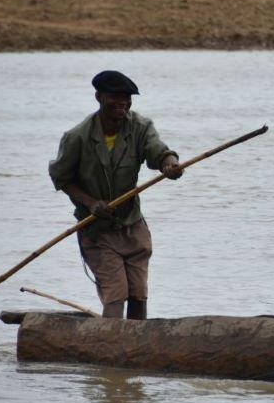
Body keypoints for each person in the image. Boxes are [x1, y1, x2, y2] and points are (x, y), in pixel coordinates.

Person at [49, 70, 182, 319]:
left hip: (132, 224)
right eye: (115, 97)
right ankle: (111, 343)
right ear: (99, 97)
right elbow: (62, 178)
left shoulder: (141, 127)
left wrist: (170, 164)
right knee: (116, 292)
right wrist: (91, 204)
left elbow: (159, 152)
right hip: (96, 229)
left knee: (138, 291)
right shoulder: (77, 137)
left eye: (127, 98)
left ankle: (137, 344)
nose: (123, 103)